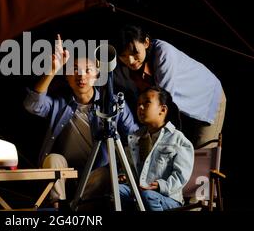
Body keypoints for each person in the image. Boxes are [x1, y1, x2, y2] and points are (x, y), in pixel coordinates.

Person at [24, 35, 139, 209]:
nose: (81, 75)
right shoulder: (59, 104)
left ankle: (76, 208)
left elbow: (134, 136)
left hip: (96, 170)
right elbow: (32, 104)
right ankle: (56, 208)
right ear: (67, 77)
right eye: (75, 69)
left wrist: (124, 169)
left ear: (97, 76)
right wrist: (53, 69)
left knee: (108, 174)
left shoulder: (111, 104)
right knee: (52, 159)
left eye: (87, 70)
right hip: (65, 169)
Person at [112, 24, 226, 147]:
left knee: (203, 158)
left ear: (146, 42)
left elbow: (162, 102)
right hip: (181, 107)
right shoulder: (127, 67)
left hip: (207, 97)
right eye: (123, 55)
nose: (130, 60)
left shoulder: (164, 54)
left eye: (135, 53)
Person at [118, 86, 194, 211]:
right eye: (138, 104)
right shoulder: (135, 138)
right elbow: (128, 166)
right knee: (116, 190)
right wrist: (123, 175)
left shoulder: (178, 139)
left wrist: (161, 186)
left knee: (148, 196)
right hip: (138, 191)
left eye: (147, 102)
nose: (140, 108)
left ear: (162, 110)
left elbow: (181, 175)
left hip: (167, 198)